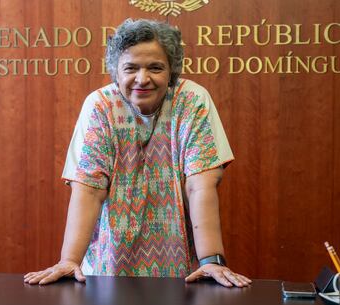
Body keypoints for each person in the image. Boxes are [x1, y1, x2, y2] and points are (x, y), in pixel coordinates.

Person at [24, 18, 251, 288]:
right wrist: (68, 260)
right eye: (131, 68)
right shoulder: (100, 105)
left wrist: (211, 260)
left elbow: (200, 185)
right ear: (115, 72)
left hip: (181, 272)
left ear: (172, 71)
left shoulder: (192, 100)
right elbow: (89, 189)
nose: (142, 79)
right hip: (106, 268)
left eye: (155, 68)